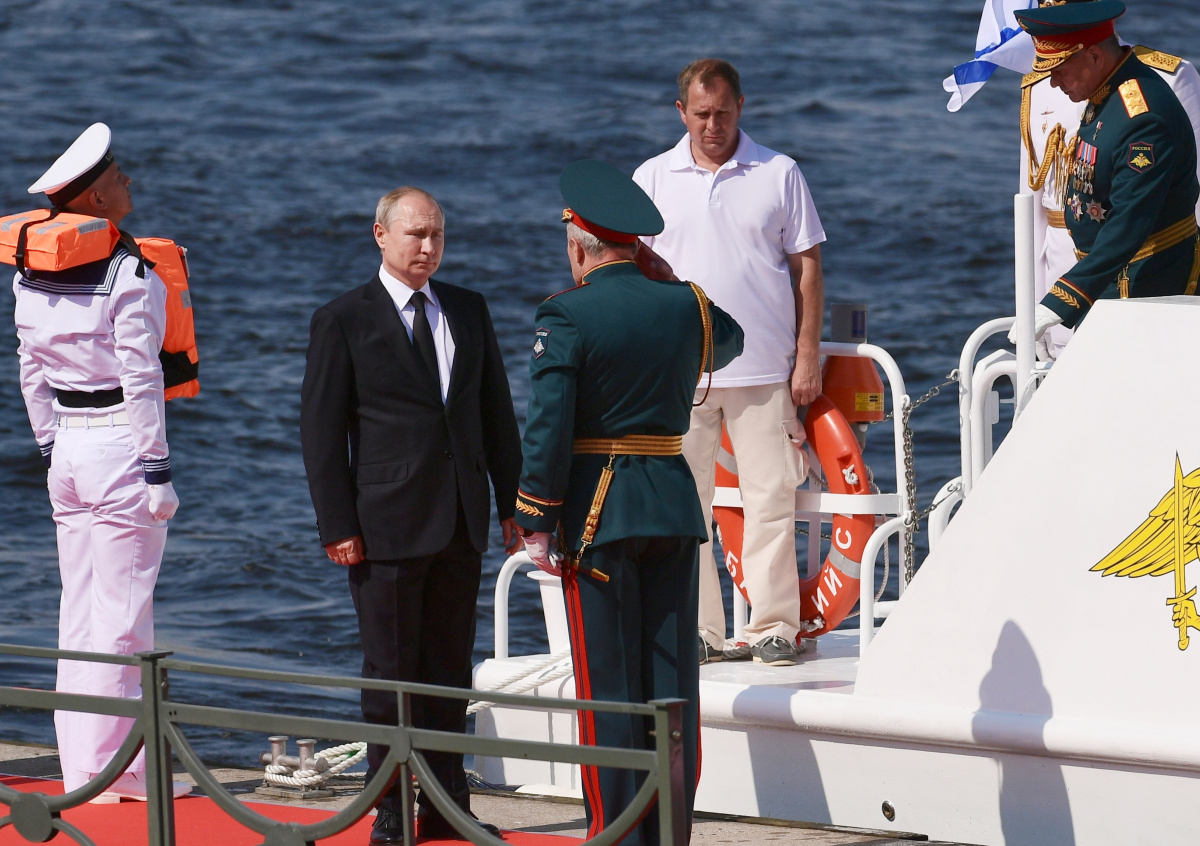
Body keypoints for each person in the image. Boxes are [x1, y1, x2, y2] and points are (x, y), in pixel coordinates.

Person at [514, 159, 743, 846]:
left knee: (608, 692)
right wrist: (669, 282)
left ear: (577, 244)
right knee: (673, 688)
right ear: (637, 246)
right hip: (671, 507)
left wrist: (534, 518)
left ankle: (617, 834)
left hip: (598, 516)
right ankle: (670, 834)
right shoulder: (684, 304)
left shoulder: (566, 313)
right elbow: (730, 341)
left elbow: (549, 425)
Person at [299, 187, 521, 845]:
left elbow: (496, 415)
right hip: (383, 527)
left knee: (450, 672)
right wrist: (337, 524)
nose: (427, 246)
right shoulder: (342, 319)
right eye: (415, 234)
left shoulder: (469, 308)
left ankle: (449, 806)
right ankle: (392, 808)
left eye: (437, 235)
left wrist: (513, 504)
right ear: (381, 235)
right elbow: (320, 432)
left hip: (460, 519)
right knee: (391, 673)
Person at [12, 123, 189, 802]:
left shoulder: (29, 271)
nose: (128, 182)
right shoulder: (128, 272)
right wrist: (157, 470)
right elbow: (142, 377)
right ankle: (119, 776)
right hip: (119, 445)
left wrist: (49, 446)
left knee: (78, 610)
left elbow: (30, 367)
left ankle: (82, 765)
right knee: (124, 614)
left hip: (67, 443)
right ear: (94, 199)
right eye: (118, 178)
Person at [632, 58, 826, 667]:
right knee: (684, 506)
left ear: (742, 106)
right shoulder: (651, 177)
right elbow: (632, 272)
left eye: (722, 113)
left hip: (765, 369)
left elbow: (808, 268)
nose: (712, 125)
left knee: (771, 498)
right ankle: (698, 631)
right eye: (701, 114)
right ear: (681, 112)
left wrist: (808, 354)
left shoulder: (779, 172)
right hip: (680, 371)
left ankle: (774, 628)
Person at [1017, 0, 1200, 359]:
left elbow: (1129, 222)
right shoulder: (1106, 90)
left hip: (1145, 285)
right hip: (1107, 281)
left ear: (1095, 57)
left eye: (1060, 70)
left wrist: (1061, 300)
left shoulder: (1143, 118)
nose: (1052, 82)